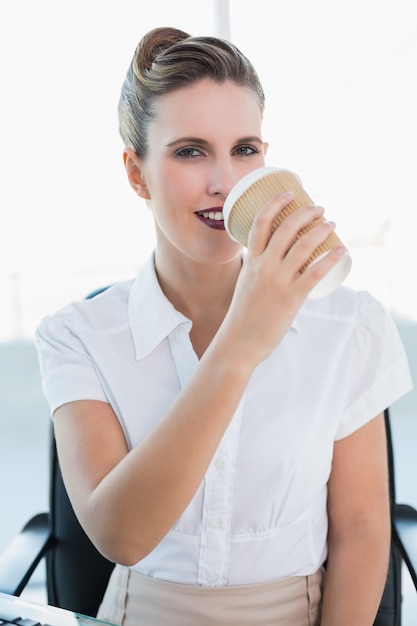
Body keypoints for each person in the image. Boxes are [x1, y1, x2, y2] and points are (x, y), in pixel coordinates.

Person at [35, 26, 412, 626]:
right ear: (137, 174)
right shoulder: (77, 336)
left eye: (245, 149)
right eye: (190, 151)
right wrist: (243, 341)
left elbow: (363, 530)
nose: (225, 182)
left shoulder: (348, 324)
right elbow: (121, 536)